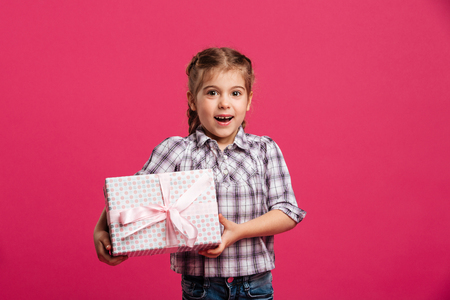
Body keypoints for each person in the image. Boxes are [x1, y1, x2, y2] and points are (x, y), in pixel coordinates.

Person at [94, 47, 306, 299]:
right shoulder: (176, 150)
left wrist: (238, 231)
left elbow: (287, 211)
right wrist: (101, 230)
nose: (224, 102)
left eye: (235, 93)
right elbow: (132, 196)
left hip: (255, 287)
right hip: (201, 288)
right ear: (193, 100)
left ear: (248, 100)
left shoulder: (264, 150)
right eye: (212, 92)